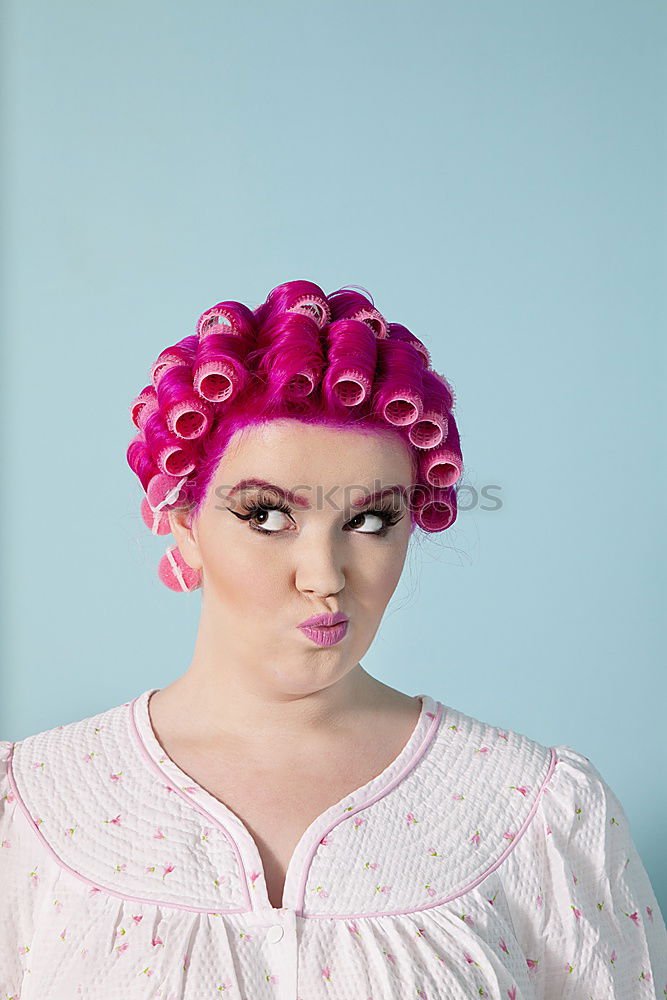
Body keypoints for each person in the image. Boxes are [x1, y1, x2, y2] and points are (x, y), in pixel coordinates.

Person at [1, 279, 665, 998]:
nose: (324, 575)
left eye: (372, 520)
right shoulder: (30, 809)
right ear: (183, 524)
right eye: (266, 515)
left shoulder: (537, 814)